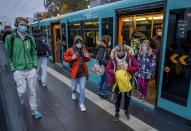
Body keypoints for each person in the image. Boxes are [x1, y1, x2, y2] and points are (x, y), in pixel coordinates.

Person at [5, 17, 42, 119]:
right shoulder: (10, 38)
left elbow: (34, 52)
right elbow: (7, 55)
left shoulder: (30, 38)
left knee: (33, 90)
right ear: (17, 25)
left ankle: (34, 109)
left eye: (25, 25)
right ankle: (19, 104)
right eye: (22, 24)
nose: (24, 27)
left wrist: (34, 65)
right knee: (21, 91)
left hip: (30, 69)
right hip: (18, 70)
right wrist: (14, 69)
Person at [107, 44, 138, 121]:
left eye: (123, 50)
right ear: (116, 51)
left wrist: (128, 68)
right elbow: (108, 68)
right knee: (118, 97)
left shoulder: (130, 57)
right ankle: (117, 112)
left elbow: (136, 68)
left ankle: (126, 110)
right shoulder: (113, 58)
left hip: (128, 80)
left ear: (125, 51)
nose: (121, 52)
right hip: (117, 81)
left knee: (127, 97)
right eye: (119, 50)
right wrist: (115, 71)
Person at [64, 35, 91, 112]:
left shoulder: (84, 49)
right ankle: (73, 92)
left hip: (83, 73)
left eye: (80, 42)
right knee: (73, 87)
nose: (79, 43)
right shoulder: (70, 50)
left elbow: (88, 59)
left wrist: (87, 56)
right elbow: (65, 58)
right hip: (74, 72)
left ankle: (81, 103)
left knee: (82, 88)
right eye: (77, 42)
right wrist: (71, 58)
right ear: (75, 42)